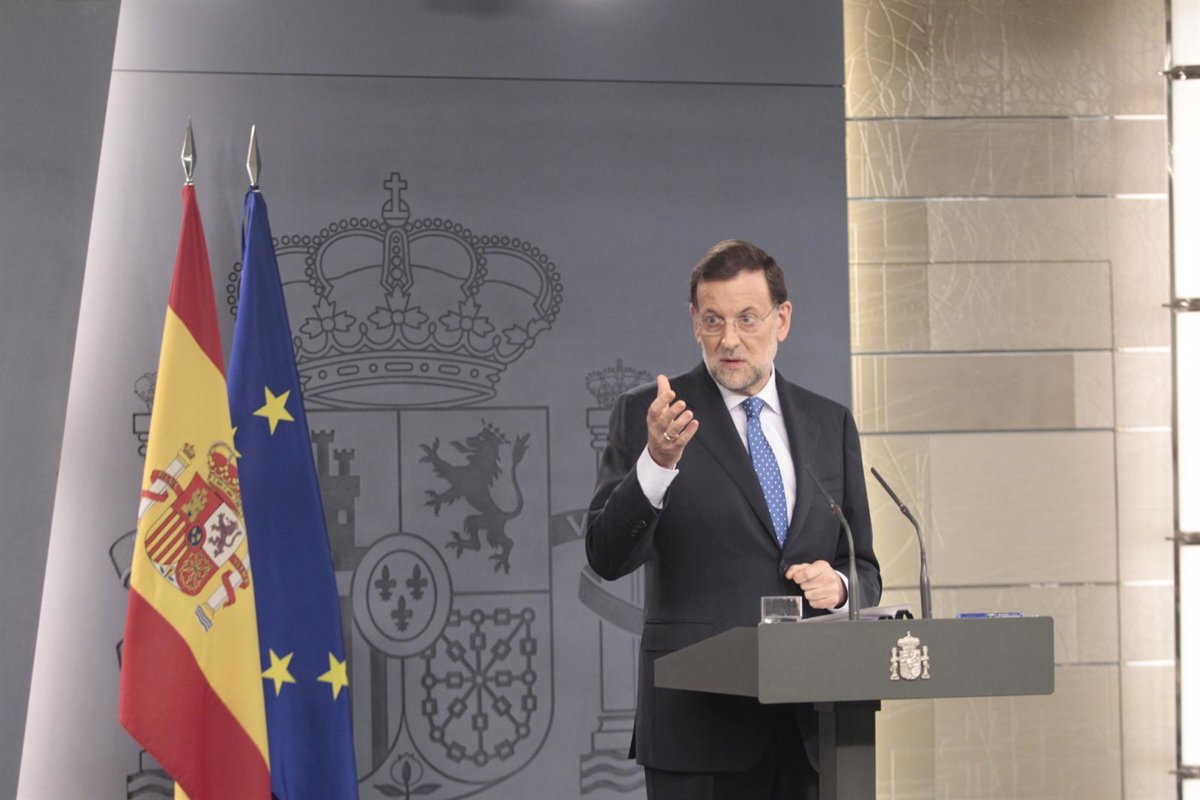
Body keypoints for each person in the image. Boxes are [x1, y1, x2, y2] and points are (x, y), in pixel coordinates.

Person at [585, 239, 881, 800]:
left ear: (782, 320)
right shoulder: (654, 416)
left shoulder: (830, 422)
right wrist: (657, 462)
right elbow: (606, 555)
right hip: (698, 731)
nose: (729, 339)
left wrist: (840, 588)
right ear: (694, 322)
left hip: (813, 729)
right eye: (713, 320)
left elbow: (863, 567)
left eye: (747, 318)